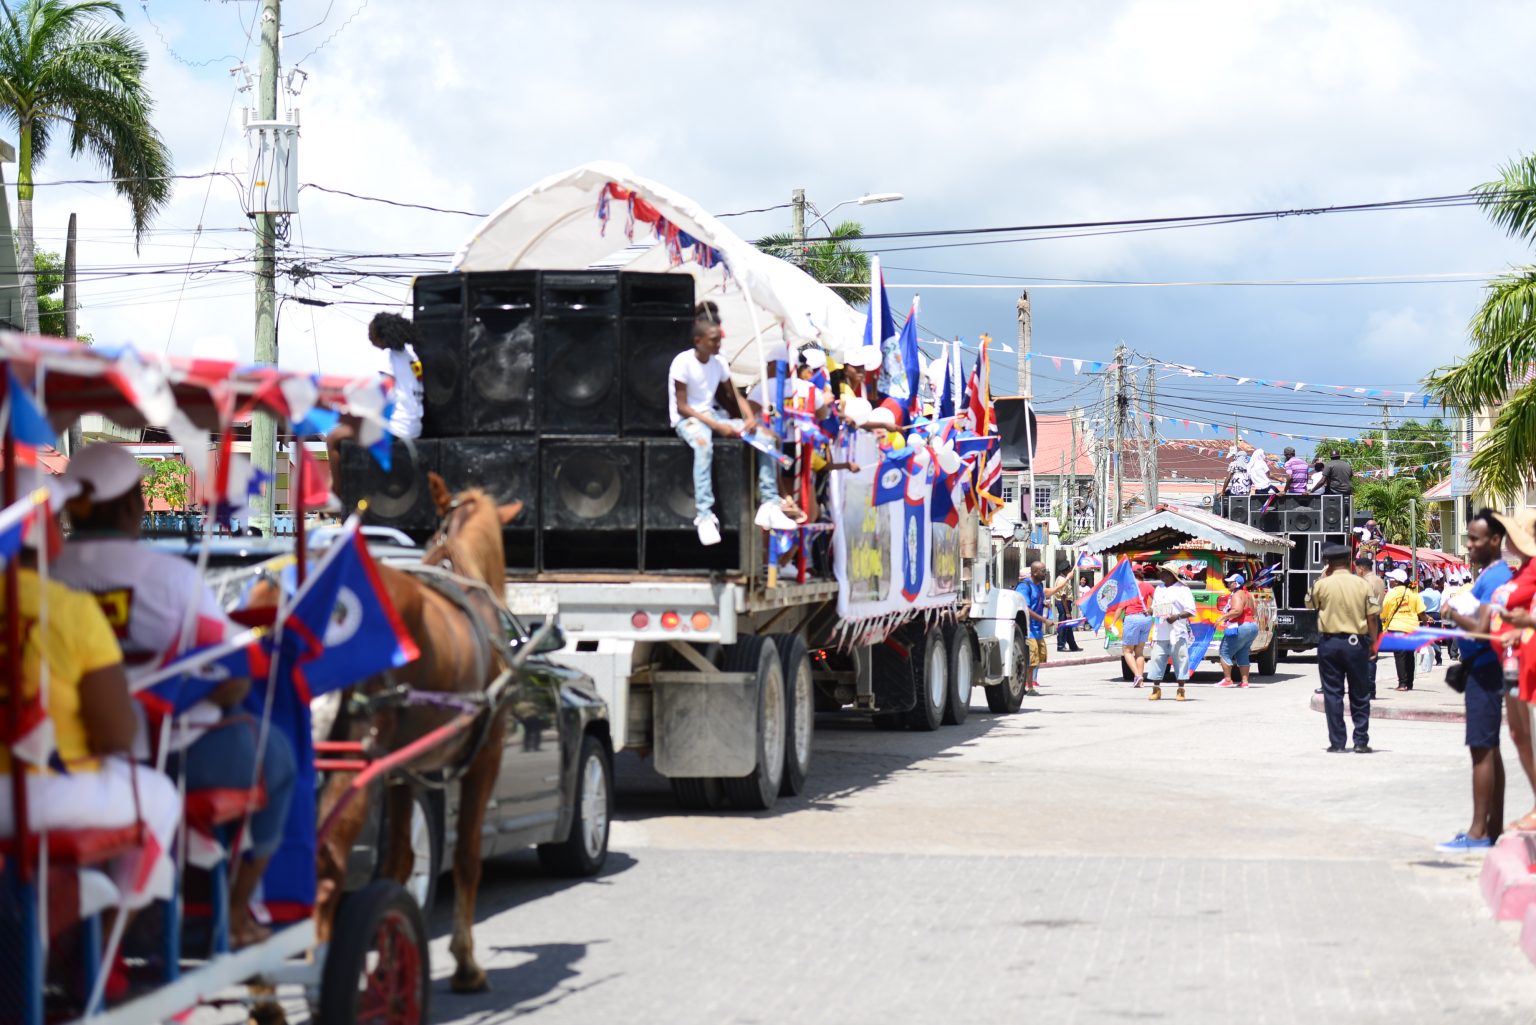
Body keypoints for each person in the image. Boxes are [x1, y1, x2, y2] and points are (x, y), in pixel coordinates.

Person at [54, 444, 297, 946]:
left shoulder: (44, 578)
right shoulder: (168, 578)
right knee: (279, 759)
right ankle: (234, 909)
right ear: (128, 506)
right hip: (176, 754)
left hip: (60, 754)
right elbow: (232, 668)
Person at [0, 467, 182, 911]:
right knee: (161, 795)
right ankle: (103, 941)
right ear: (40, 528)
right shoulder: (69, 609)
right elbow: (116, 736)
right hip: (44, 795)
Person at [1438, 509, 1517, 852]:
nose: (1469, 544)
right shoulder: (1490, 574)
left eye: (1475, 539)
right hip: (1482, 669)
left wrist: (1451, 612)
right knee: (1489, 748)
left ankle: (1477, 833)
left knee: (1481, 749)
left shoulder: (1496, 576)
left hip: (1485, 670)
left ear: (1495, 541)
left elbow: (1484, 631)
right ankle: (1491, 827)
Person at [669, 308, 779, 545]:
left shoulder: (719, 362)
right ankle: (705, 516)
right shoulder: (683, 362)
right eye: (714, 340)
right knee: (703, 446)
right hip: (688, 419)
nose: (719, 343)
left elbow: (736, 396)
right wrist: (716, 426)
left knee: (765, 437)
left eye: (720, 339)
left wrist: (749, 418)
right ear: (698, 341)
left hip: (712, 416)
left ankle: (770, 503)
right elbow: (682, 407)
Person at [324, 311, 425, 482]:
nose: (368, 336)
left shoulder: (388, 356)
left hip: (396, 428)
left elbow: (385, 395)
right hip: (414, 427)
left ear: (380, 335)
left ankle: (339, 497)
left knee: (333, 438)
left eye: (370, 333)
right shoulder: (411, 356)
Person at [1307, 544, 1380, 752]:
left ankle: (1337, 743)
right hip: (1356, 644)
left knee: (1332, 693)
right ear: (1350, 561)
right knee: (1359, 692)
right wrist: (1373, 643)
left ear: (1328, 564)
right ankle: (1360, 741)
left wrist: (1321, 579)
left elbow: (1308, 604)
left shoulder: (1322, 585)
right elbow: (1372, 616)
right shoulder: (1363, 585)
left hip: (1329, 644)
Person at [1495, 511, 1536, 834]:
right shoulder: (1521, 570)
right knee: (1520, 736)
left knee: (1530, 737)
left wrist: (1526, 623)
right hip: (1515, 661)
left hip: (1530, 661)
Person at [1145, 565, 1196, 702]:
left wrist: (1177, 616)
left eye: (1162, 572)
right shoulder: (1159, 589)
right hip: (1160, 631)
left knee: (1180, 660)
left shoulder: (1183, 589)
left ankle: (1181, 690)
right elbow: (1157, 607)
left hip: (1177, 631)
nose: (1159, 574)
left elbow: (1191, 610)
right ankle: (1156, 689)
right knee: (1157, 659)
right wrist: (1151, 611)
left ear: (1170, 574)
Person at [1380, 568, 1427, 691]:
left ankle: (1402, 684)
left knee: (1400, 656)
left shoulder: (1391, 594)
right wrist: (1425, 626)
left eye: (1390, 579)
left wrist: (1383, 619)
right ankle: (1409, 683)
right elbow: (1422, 613)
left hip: (1396, 628)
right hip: (1412, 628)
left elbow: (1384, 612)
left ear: (1396, 582)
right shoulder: (1413, 594)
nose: (1389, 581)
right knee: (1410, 655)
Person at [1014, 561, 1051, 697]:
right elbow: (1026, 609)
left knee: (1038, 658)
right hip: (1027, 629)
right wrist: (1044, 620)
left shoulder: (1039, 586)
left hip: (1037, 629)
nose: (1045, 573)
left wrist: (1046, 606)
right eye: (1043, 570)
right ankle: (1028, 686)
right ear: (1034, 572)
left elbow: (1038, 602)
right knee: (1031, 659)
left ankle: (1028, 684)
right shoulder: (1025, 587)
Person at [1218, 572, 1260, 688]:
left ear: (1236, 584)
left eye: (1230, 582)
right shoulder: (1248, 594)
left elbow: (1237, 611)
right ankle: (1245, 681)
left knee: (1224, 651)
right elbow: (1255, 611)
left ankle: (1227, 680)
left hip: (1241, 626)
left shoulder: (1237, 595)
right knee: (1243, 652)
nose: (1228, 584)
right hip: (1252, 626)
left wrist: (1222, 617)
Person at [1119, 563, 1158, 688]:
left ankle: (1137, 675)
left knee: (1127, 650)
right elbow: (1159, 600)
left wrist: (1114, 622)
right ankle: (1140, 681)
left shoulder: (1129, 587)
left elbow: (1121, 606)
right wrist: (1151, 608)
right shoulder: (1149, 586)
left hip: (1132, 618)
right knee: (1139, 651)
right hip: (1146, 619)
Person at [1050, 570, 1081, 653]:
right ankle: (1060, 645)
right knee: (1063, 626)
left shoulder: (1062, 578)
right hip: (1063, 604)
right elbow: (1063, 597)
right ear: (1065, 570)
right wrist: (1067, 611)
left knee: (1068, 626)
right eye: (1069, 570)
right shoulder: (1062, 580)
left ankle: (1073, 645)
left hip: (1065, 604)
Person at [1419, 575, 1444, 666]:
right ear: (1431, 585)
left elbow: (1420, 608)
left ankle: (1426, 660)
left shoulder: (1420, 595)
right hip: (1437, 616)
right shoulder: (1438, 593)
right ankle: (1439, 659)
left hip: (1425, 616)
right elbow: (1441, 606)